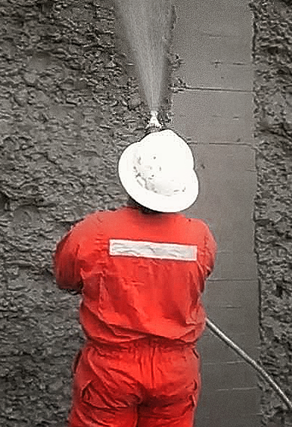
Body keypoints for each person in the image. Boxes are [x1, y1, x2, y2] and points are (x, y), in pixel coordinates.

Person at [54, 129, 217, 427]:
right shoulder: (201, 237)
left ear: (130, 181)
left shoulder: (93, 232)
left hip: (112, 371)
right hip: (175, 371)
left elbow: (65, 278)